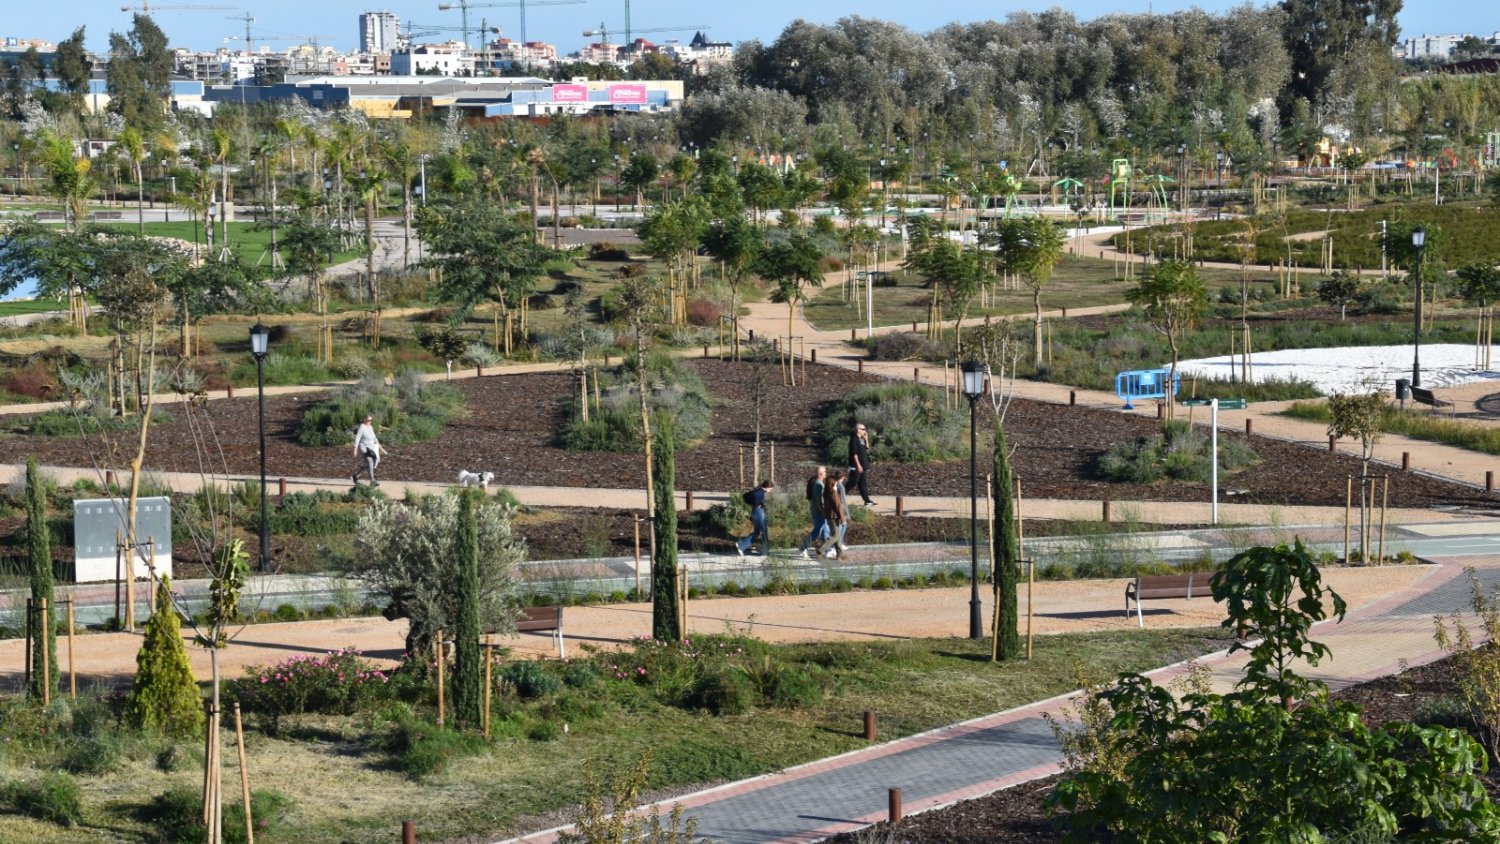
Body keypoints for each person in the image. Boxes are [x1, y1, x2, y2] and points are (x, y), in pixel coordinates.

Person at [797, 466, 829, 559]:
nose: (826, 473)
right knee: (816, 532)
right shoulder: (818, 485)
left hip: (819, 511)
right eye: (825, 471)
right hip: (818, 512)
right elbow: (818, 500)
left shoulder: (819, 484)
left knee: (825, 531)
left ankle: (827, 549)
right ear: (821, 473)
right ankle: (803, 547)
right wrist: (822, 511)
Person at [736, 480, 774, 556]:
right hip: (759, 512)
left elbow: (745, 496)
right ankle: (764, 551)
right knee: (764, 532)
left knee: (757, 532)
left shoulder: (759, 491)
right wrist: (758, 504)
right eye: (771, 488)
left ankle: (741, 545)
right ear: (767, 487)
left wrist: (755, 503)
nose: (771, 490)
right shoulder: (760, 492)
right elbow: (755, 497)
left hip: (755, 512)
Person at [352, 414, 385, 487]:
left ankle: (356, 476)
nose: (370, 421)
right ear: (364, 419)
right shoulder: (362, 427)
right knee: (370, 463)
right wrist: (355, 449)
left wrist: (380, 447)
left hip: (371, 448)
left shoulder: (370, 427)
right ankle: (372, 481)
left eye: (371, 420)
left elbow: (374, 437)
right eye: (368, 420)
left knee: (369, 464)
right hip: (364, 448)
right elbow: (357, 438)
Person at [823, 469, 849, 559]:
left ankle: (840, 554)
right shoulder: (833, 493)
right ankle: (821, 549)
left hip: (830, 516)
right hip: (834, 516)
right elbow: (839, 506)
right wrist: (844, 518)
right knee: (835, 536)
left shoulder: (826, 492)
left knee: (837, 536)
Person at [847, 422, 875, 506]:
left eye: (865, 429)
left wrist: (866, 438)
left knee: (863, 484)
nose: (865, 431)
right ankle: (839, 494)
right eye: (863, 429)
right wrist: (858, 465)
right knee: (853, 482)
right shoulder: (854, 439)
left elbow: (867, 447)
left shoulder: (861, 439)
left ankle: (867, 501)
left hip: (862, 466)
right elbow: (854, 454)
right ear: (858, 430)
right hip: (856, 466)